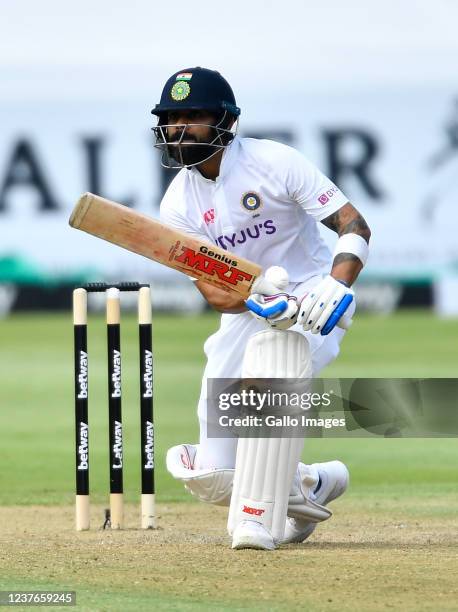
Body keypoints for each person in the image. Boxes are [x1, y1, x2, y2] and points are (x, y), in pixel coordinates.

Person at [152, 67, 371, 548]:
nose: (179, 128)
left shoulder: (275, 161)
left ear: (226, 121)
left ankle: (254, 518)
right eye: (171, 118)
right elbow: (213, 291)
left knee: (263, 399)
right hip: (246, 313)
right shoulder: (177, 206)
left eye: (193, 116)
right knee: (211, 474)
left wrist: (334, 288)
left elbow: (353, 224)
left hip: (314, 302)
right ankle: (311, 484)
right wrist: (261, 302)